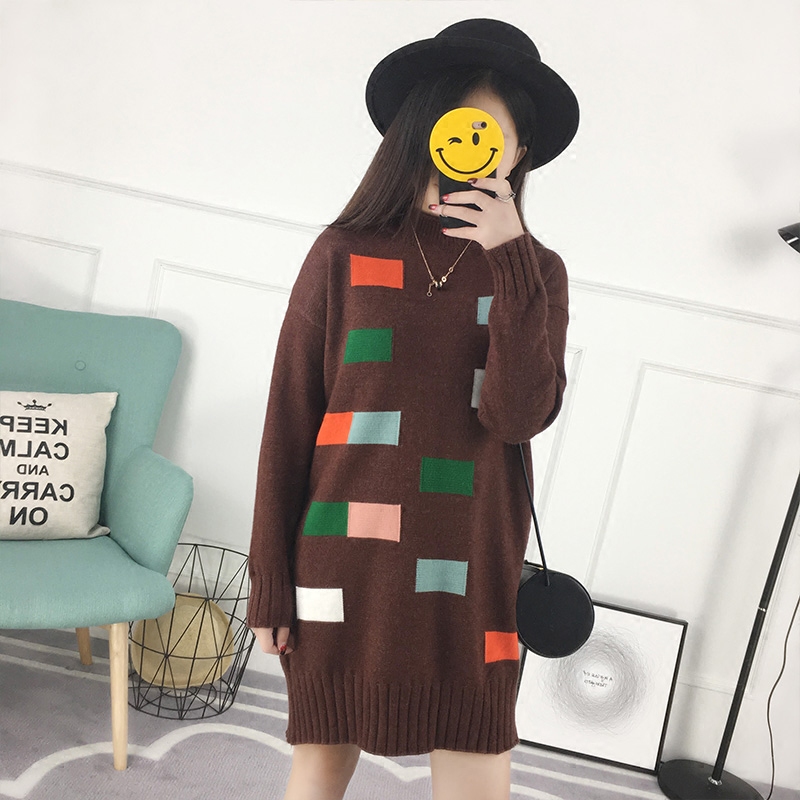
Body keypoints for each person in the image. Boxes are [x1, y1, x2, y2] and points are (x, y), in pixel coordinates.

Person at [247, 18, 579, 800]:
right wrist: (270, 579)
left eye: (492, 133)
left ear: (518, 152)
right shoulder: (341, 252)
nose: (470, 145)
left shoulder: (537, 274)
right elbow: (288, 421)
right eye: (455, 123)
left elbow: (516, 418)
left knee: (476, 767)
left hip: (471, 564)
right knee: (319, 767)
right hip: (341, 558)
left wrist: (510, 259)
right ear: (421, 128)